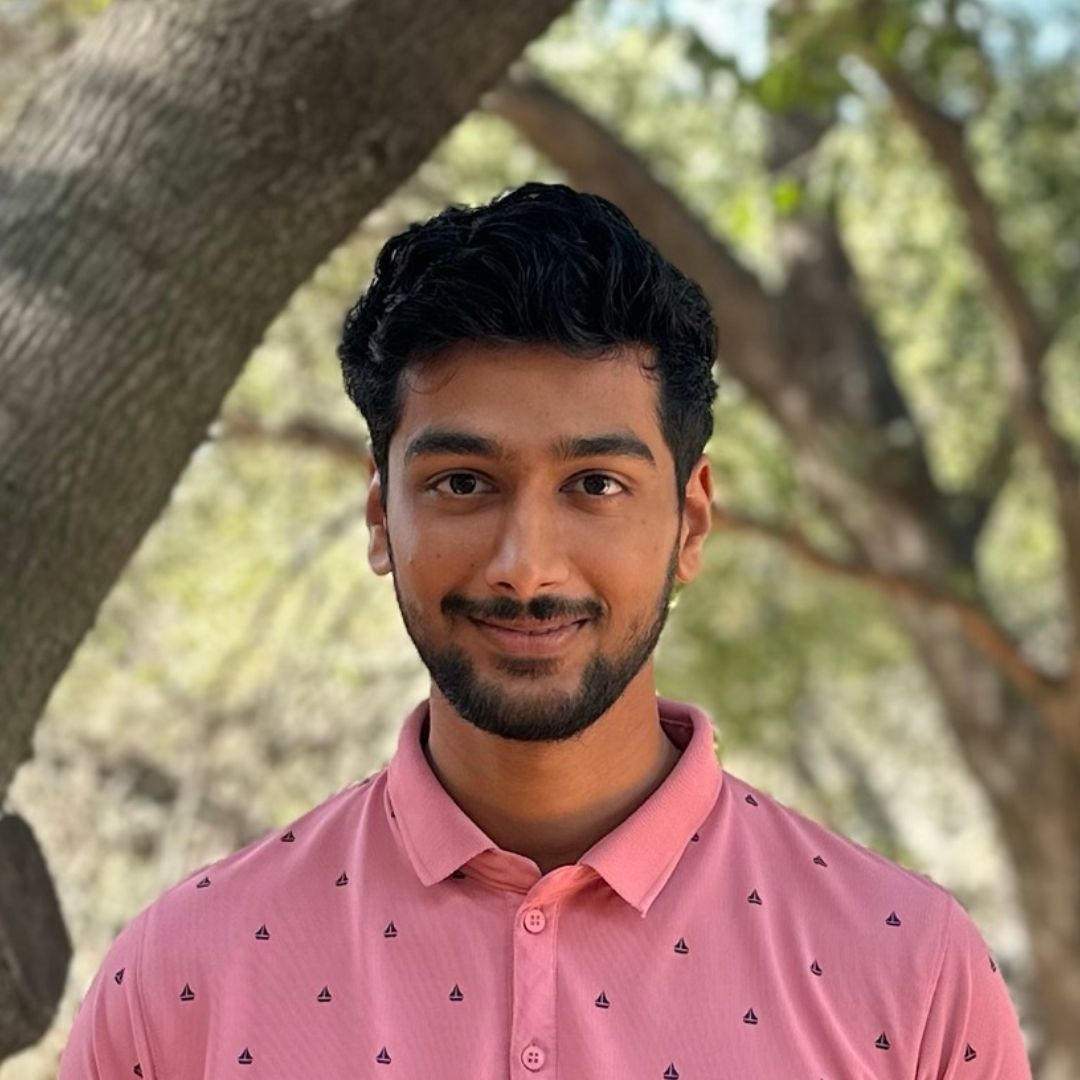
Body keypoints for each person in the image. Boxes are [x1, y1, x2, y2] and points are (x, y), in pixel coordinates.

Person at [59, 183, 1030, 1079]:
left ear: (691, 522)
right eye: (463, 484)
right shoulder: (178, 981)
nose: (526, 564)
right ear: (378, 517)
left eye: (596, 486)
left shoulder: (912, 974)